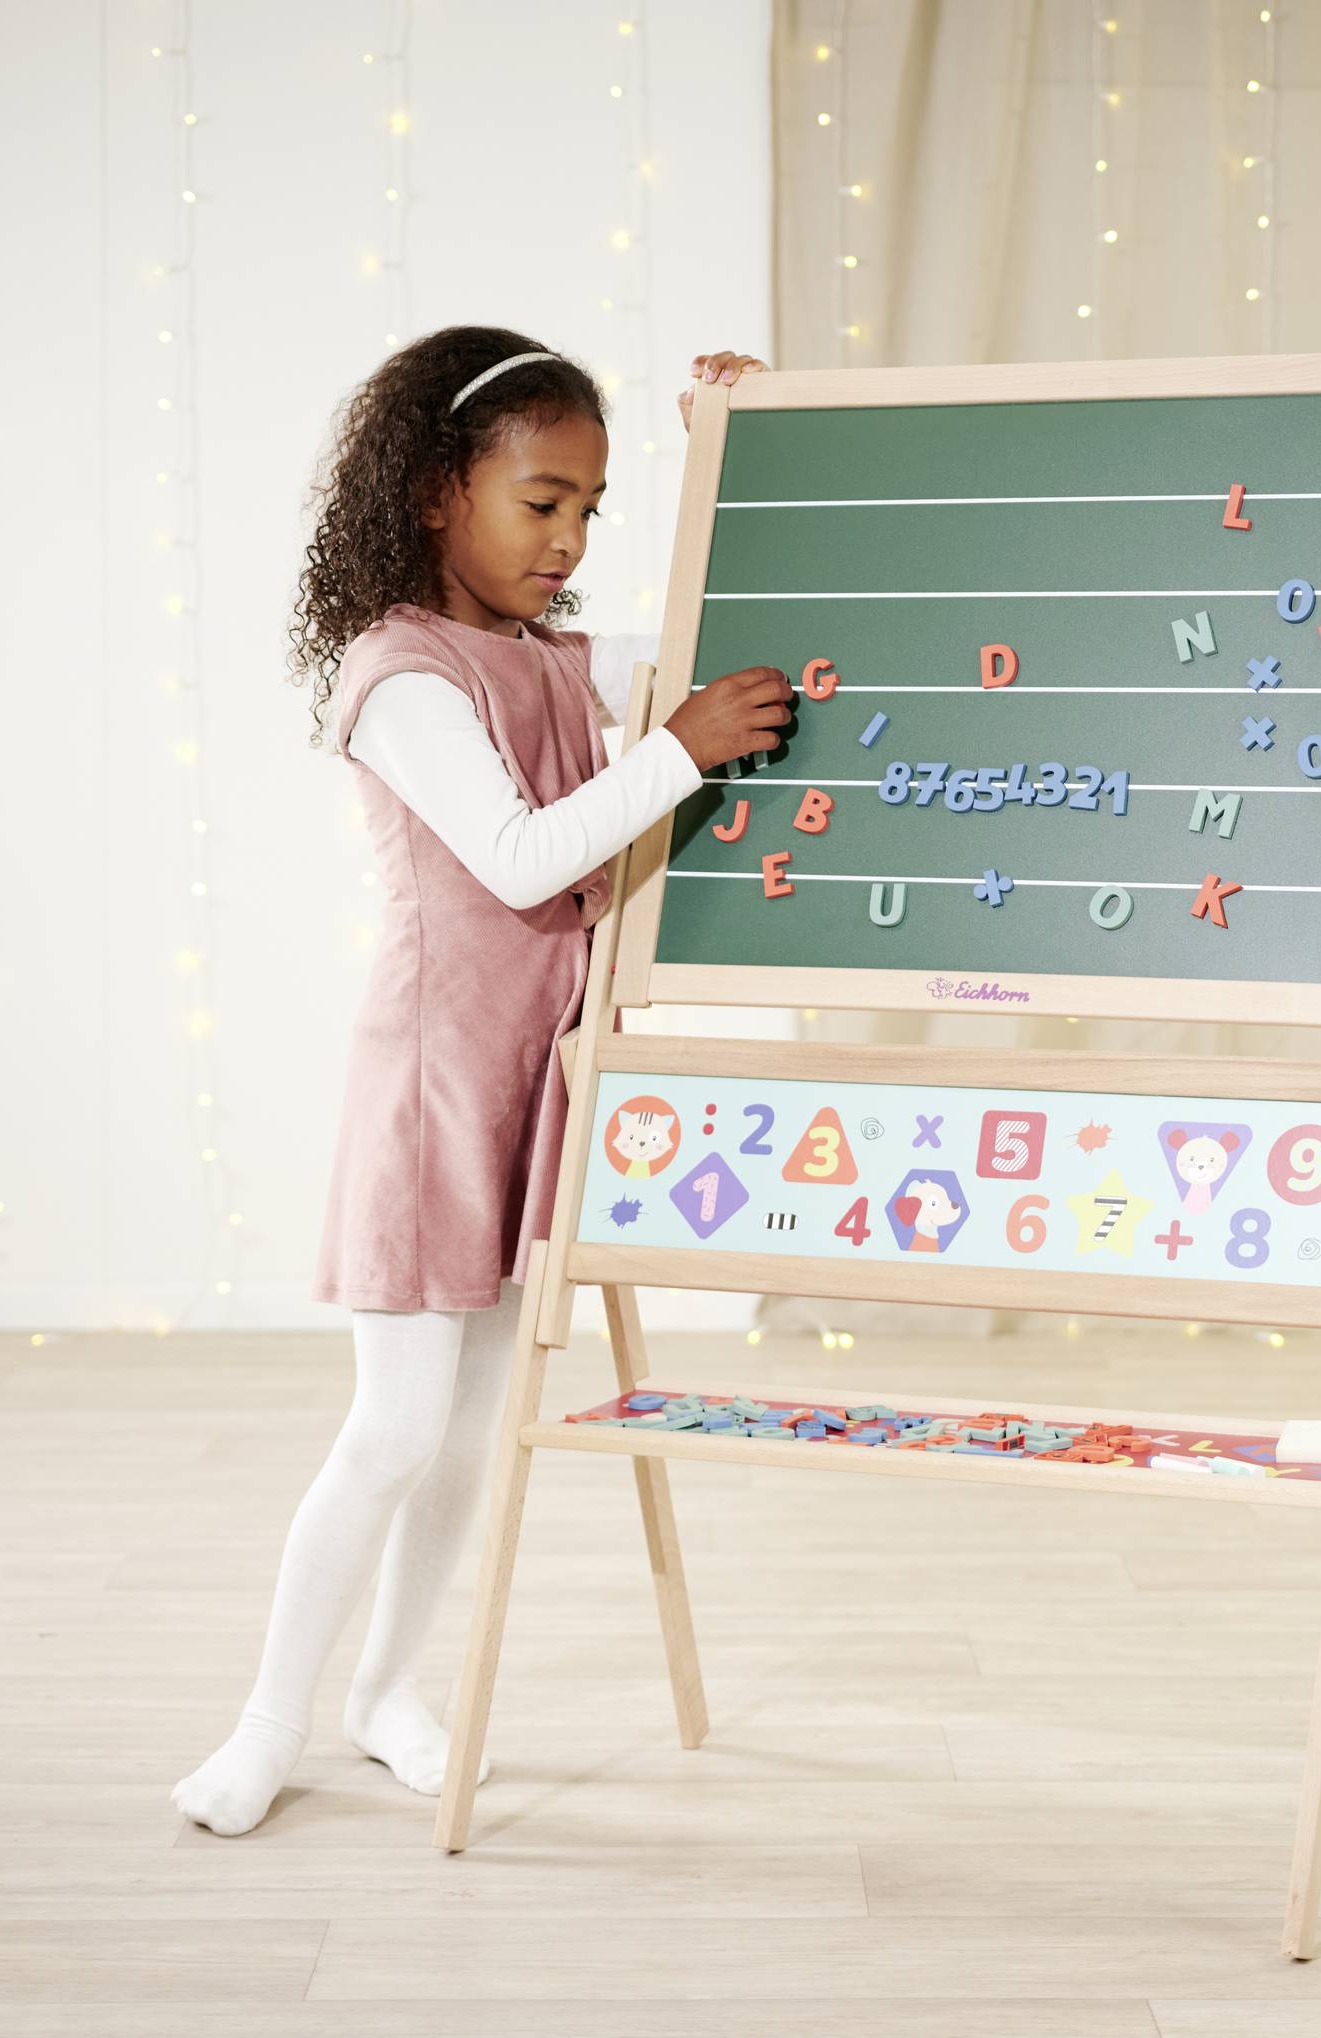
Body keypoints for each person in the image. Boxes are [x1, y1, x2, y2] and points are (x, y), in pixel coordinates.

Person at [171, 329, 789, 1837]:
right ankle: (268, 1720)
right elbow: (520, 853)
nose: (570, 539)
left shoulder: (558, 659)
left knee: (469, 1432)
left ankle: (390, 1688)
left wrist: (737, 441)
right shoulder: (398, 673)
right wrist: (683, 751)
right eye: (542, 503)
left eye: (593, 509)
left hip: (540, 1083)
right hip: (435, 1087)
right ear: (445, 490)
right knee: (392, 1427)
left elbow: (722, 639)